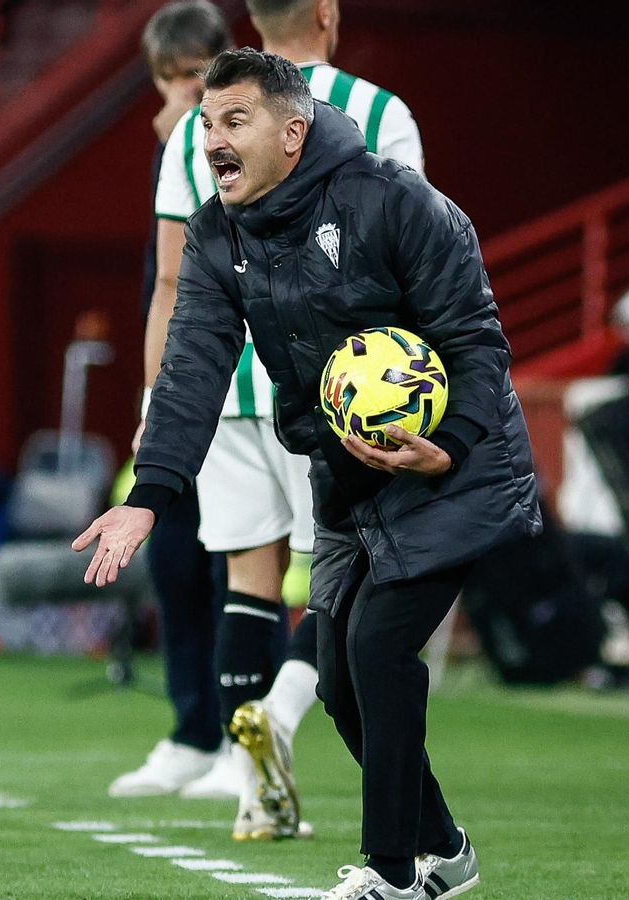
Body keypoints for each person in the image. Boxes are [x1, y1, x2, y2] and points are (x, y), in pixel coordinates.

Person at [76, 49, 539, 898]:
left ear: (293, 133)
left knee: (378, 646)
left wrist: (454, 443)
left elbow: (477, 342)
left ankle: (393, 875)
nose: (211, 140)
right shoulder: (220, 231)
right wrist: (149, 496)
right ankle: (448, 850)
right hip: (345, 474)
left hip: (457, 468)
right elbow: (192, 368)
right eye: (205, 123)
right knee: (338, 686)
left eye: (234, 121)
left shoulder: (395, 202)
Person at [142, 0, 425, 838]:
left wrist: (156, 406)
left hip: (223, 393)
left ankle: (251, 786)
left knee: (247, 581)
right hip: (334, 391)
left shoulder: (197, 126)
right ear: (329, 15)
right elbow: (413, 245)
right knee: (342, 581)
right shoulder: (377, 110)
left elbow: (167, 285)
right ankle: (283, 721)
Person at [107, 0, 235, 804]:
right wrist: (154, 397)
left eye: (199, 75)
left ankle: (239, 732)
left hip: (243, 382)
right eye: (174, 79)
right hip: (185, 380)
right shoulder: (175, 147)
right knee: (178, 560)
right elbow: (165, 282)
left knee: (237, 568)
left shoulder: (246, 133)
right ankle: (193, 729)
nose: (189, 94)